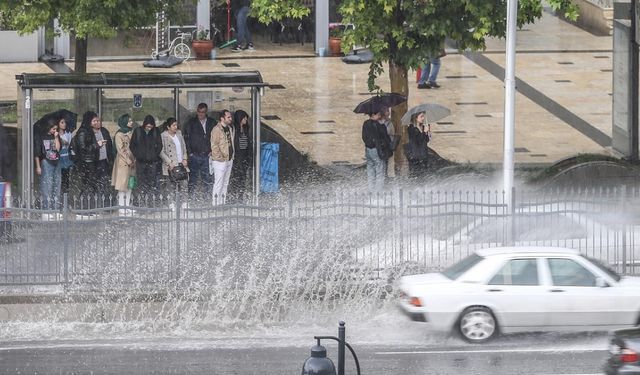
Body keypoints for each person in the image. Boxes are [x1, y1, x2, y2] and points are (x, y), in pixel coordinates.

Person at [73, 111, 112, 208]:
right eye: (94, 121)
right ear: (89, 121)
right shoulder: (83, 132)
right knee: (88, 186)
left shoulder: (103, 131)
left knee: (100, 185)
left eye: (98, 120)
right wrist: (97, 145)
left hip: (100, 162)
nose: (97, 122)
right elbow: (83, 149)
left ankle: (100, 207)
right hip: (88, 163)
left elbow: (110, 147)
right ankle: (84, 208)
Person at [182, 103, 214, 201]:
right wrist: (190, 153)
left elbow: (216, 137)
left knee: (207, 179)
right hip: (194, 155)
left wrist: (212, 150)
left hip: (207, 155)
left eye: (203, 112)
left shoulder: (212, 122)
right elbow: (186, 139)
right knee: (193, 179)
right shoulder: (191, 123)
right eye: (199, 112)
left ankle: (207, 200)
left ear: (206, 112)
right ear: (197, 111)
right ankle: (191, 200)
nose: (201, 114)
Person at [34, 116, 61, 218]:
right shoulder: (41, 137)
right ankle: (47, 210)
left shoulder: (56, 136)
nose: (55, 130)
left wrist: (56, 137)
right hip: (46, 162)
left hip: (57, 162)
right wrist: (38, 166)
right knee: (47, 186)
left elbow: (58, 149)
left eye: (56, 129)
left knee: (56, 185)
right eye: (53, 129)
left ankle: (55, 209)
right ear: (48, 128)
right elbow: (37, 152)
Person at [130, 115, 163, 196]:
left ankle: (151, 201)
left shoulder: (156, 131)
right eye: (148, 126)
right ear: (144, 125)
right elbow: (132, 145)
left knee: (152, 182)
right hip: (140, 162)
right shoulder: (137, 131)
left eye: (151, 126)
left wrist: (154, 155)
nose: (149, 128)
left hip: (152, 162)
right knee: (141, 182)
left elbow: (160, 145)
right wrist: (138, 155)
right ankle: (141, 200)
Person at [160, 117, 189, 205]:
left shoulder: (179, 134)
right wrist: (169, 162)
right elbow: (161, 151)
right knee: (171, 186)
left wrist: (185, 158)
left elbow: (184, 147)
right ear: (168, 127)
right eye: (174, 125)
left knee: (184, 184)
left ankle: (185, 203)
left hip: (181, 163)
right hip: (171, 165)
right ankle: (171, 204)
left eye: (176, 125)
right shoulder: (163, 136)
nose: (176, 127)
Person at [361, 110, 392, 192]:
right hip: (377, 151)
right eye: (378, 114)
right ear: (374, 115)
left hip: (368, 150)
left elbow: (364, 137)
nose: (379, 116)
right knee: (380, 172)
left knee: (370, 171)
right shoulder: (378, 125)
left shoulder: (365, 123)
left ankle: (371, 190)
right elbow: (386, 139)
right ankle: (378, 193)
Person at [111, 114, 136, 215]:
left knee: (130, 184)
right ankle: (121, 206)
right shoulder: (119, 134)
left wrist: (134, 159)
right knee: (122, 185)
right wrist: (128, 159)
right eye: (129, 121)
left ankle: (127, 205)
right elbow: (120, 150)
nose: (131, 123)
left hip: (133, 160)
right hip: (123, 162)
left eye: (131, 121)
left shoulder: (131, 133)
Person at [210, 109, 235, 204]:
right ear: (222, 118)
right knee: (219, 183)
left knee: (225, 183)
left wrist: (231, 156)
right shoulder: (216, 129)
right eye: (228, 117)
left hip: (229, 159)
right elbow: (214, 145)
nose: (230, 118)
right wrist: (220, 158)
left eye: (230, 117)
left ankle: (222, 202)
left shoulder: (230, 128)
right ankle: (215, 204)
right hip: (220, 160)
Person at [229, 110, 252, 202]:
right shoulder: (234, 129)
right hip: (236, 157)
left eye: (246, 117)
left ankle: (241, 197)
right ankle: (234, 197)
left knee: (243, 177)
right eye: (244, 117)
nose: (246, 119)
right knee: (235, 177)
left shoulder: (246, 129)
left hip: (244, 156)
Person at [404, 112, 431, 178]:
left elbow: (426, 140)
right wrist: (424, 132)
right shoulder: (411, 128)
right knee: (416, 174)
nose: (423, 118)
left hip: (423, 153)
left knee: (424, 174)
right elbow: (417, 141)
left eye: (423, 116)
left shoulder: (423, 127)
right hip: (415, 155)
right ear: (416, 118)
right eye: (421, 116)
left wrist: (427, 132)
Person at [57, 116, 74, 197]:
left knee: (66, 178)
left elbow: (70, 146)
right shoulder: (55, 134)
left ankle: (65, 195)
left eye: (65, 122)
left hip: (66, 158)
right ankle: (58, 194)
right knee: (58, 178)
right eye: (62, 122)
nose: (64, 124)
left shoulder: (68, 134)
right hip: (59, 158)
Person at [379, 107, 398, 178]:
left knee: (386, 165)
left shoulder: (390, 122)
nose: (389, 113)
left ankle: (385, 178)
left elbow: (392, 133)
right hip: (381, 146)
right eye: (387, 111)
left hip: (387, 147)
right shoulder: (378, 123)